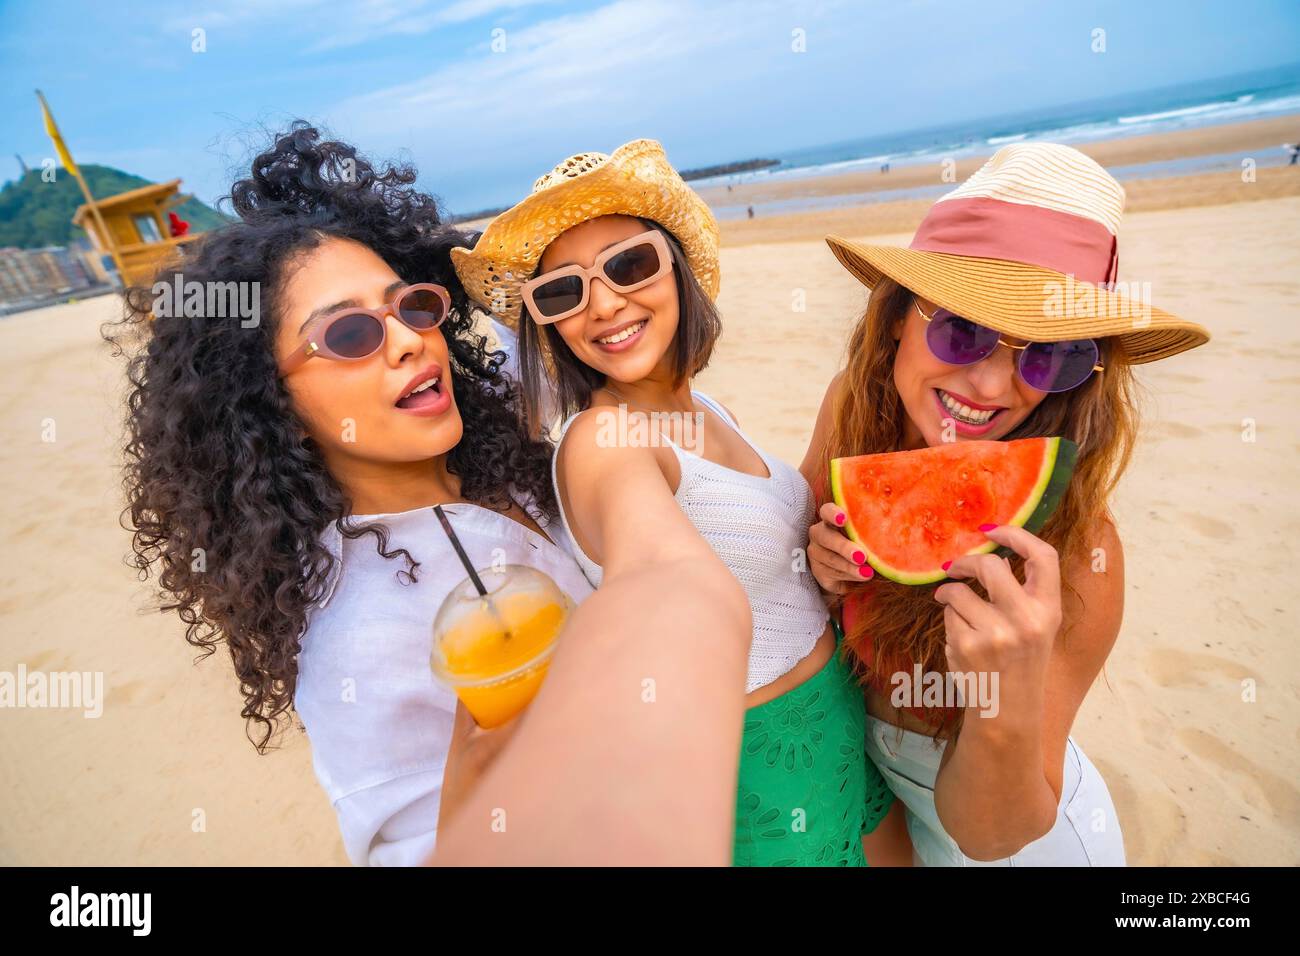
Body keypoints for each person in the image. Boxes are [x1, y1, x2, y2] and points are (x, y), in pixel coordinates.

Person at [106, 123, 592, 866]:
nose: (407, 341)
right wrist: (480, 779)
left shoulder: (501, 430)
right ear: (272, 406)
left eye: (412, 307)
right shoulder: (355, 638)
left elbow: (565, 337)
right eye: (350, 334)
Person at [452, 139, 905, 866]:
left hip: (842, 725)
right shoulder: (604, 439)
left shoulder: (710, 409)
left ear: (678, 269)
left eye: (627, 264)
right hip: (754, 774)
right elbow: (659, 568)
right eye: (562, 291)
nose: (602, 303)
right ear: (549, 325)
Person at [802, 142, 1210, 865]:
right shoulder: (851, 418)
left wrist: (1005, 694)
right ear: (897, 315)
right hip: (880, 815)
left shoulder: (1085, 555)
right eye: (963, 330)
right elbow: (796, 576)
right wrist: (821, 564)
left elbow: (993, 835)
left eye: (1048, 355)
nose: (993, 388)